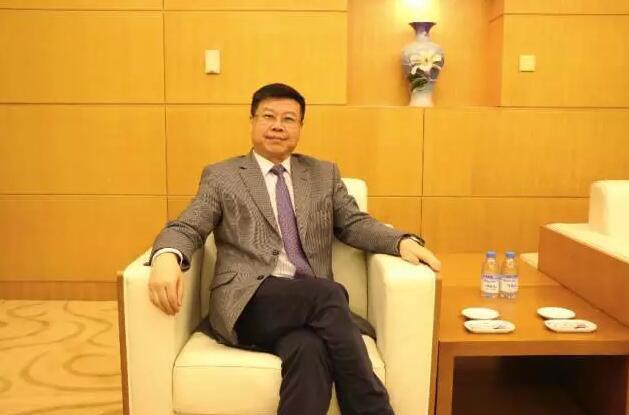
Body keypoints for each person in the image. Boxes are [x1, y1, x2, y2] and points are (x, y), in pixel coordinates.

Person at [147, 83, 441, 415]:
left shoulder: (322, 174)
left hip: (306, 307)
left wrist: (399, 241)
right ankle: (373, 410)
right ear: (252, 121)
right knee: (328, 294)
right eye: (268, 116)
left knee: (309, 349)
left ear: (300, 127)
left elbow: (354, 223)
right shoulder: (223, 176)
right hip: (249, 301)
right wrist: (167, 256)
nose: (278, 126)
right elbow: (188, 225)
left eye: (288, 119)